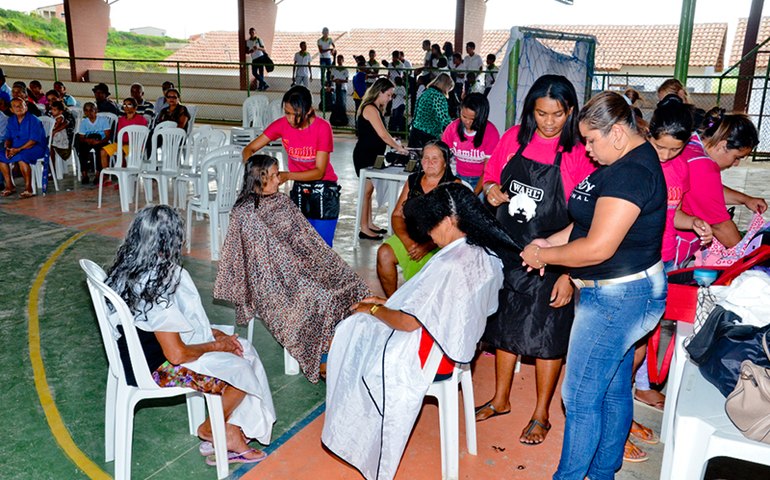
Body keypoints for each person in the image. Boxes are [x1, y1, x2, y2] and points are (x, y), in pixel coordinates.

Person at [520, 91, 668, 479]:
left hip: (618, 297)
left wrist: (546, 257)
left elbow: (598, 247)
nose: (586, 149)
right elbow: (588, 222)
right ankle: (603, 472)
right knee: (612, 388)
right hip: (617, 292)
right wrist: (549, 242)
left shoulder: (632, 173)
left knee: (580, 396)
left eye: (590, 140)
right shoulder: (618, 161)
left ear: (616, 133)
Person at [323, 183, 512, 480]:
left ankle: (352, 433)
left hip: (432, 355)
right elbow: (447, 306)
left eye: (431, 226)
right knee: (362, 326)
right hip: (458, 345)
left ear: (449, 221)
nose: (428, 235)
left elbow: (409, 322)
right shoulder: (485, 253)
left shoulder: (450, 263)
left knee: (353, 332)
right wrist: (386, 302)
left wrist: (373, 310)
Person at [106, 205, 276, 465]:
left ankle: (230, 429)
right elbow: (176, 354)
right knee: (241, 369)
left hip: (136, 355)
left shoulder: (128, 267)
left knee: (241, 348)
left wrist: (215, 336)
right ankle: (213, 430)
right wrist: (217, 346)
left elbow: (171, 325)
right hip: (156, 368)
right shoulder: (157, 284)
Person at [476, 76, 594, 448]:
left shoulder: (578, 153)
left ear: (570, 111)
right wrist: (491, 190)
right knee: (504, 327)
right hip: (509, 251)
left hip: (553, 259)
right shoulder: (514, 138)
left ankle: (541, 413)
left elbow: (588, 220)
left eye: (557, 114)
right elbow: (489, 177)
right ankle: (500, 399)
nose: (549, 122)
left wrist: (569, 274)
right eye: (541, 113)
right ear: (531, 111)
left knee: (548, 336)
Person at [214, 154, 370, 383]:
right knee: (321, 297)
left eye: (278, 174)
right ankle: (325, 355)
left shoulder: (281, 201)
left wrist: (321, 263)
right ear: (259, 178)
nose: (279, 180)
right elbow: (262, 262)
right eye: (274, 176)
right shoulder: (245, 213)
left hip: (297, 269)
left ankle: (345, 341)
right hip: (271, 281)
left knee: (347, 281)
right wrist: (300, 274)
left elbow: (307, 238)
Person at [619, 94, 715, 463]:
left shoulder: (680, 167)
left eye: (675, 149)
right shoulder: (636, 162)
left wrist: (694, 222)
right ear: (649, 133)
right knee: (627, 351)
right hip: (633, 267)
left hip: (660, 265)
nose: (665, 155)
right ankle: (617, 425)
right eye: (660, 146)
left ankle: (624, 416)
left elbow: (672, 214)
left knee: (640, 347)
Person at [241, 86, 340, 246]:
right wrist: (254, 172)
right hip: (300, 188)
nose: (290, 118)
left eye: (296, 114)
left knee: (322, 246)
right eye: (287, 113)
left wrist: (287, 175)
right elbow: (249, 149)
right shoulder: (282, 125)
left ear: (309, 111)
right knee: (298, 245)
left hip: (324, 190)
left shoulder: (322, 128)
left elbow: (319, 172)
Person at [675, 108, 765, 264]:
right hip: (671, 249)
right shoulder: (702, 165)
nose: (735, 164)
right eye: (737, 157)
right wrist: (746, 259)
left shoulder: (691, 144)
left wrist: (745, 199)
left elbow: (709, 191)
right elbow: (719, 225)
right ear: (723, 145)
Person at [376, 140, 459, 296]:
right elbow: (397, 214)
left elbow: (455, 227)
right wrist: (407, 241)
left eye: (435, 159)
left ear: (445, 162)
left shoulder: (453, 185)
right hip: (412, 236)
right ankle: (392, 302)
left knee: (434, 279)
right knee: (384, 253)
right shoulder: (413, 180)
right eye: (425, 158)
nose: (429, 162)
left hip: (439, 243)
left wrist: (427, 246)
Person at [353, 78, 410, 240]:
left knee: (369, 192)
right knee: (365, 192)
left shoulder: (376, 109)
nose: (390, 98)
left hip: (374, 155)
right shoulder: (370, 108)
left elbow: (383, 134)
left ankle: (369, 223)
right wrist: (398, 148)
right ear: (379, 92)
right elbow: (383, 134)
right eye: (389, 95)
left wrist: (395, 143)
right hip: (364, 155)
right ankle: (364, 228)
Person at [441, 92, 500, 193]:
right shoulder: (452, 128)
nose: (467, 122)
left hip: (482, 180)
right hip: (458, 177)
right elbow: (442, 158)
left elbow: (488, 171)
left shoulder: (491, 133)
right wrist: (452, 180)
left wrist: (475, 193)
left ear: (481, 117)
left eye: (472, 119)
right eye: (464, 116)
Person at [0, 98, 48, 198]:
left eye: (21, 105)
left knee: (22, 157)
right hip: (16, 148)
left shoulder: (34, 120)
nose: (19, 108)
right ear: (11, 110)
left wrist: (18, 150)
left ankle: (28, 188)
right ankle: (9, 186)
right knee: (1, 155)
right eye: (15, 106)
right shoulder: (11, 120)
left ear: (26, 107)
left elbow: (33, 141)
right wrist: (8, 148)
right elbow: (8, 137)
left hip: (35, 147)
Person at [100, 97, 148, 177]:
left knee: (121, 152)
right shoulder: (121, 120)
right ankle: (106, 177)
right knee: (103, 151)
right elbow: (120, 134)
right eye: (124, 105)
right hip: (121, 143)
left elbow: (142, 135)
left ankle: (123, 175)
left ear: (135, 107)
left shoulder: (141, 119)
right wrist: (121, 143)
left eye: (129, 105)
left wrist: (128, 143)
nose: (126, 107)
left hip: (135, 145)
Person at [408, 72, 454, 148]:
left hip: (415, 131)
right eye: (449, 88)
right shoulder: (438, 96)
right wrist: (455, 126)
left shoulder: (426, 92)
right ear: (446, 86)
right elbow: (443, 118)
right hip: (428, 134)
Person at [75, 102, 112, 185]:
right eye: (86, 110)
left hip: (101, 140)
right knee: (81, 149)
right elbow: (81, 137)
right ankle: (84, 174)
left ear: (96, 110)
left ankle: (98, 174)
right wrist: (87, 140)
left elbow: (107, 136)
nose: (89, 112)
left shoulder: (103, 120)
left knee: (100, 151)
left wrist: (99, 141)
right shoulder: (84, 122)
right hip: (89, 140)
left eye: (91, 110)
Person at [48, 100, 73, 168]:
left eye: (54, 110)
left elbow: (55, 127)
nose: (52, 111)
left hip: (59, 136)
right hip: (55, 134)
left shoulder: (59, 118)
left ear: (60, 111)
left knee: (49, 142)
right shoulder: (53, 117)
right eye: (52, 109)